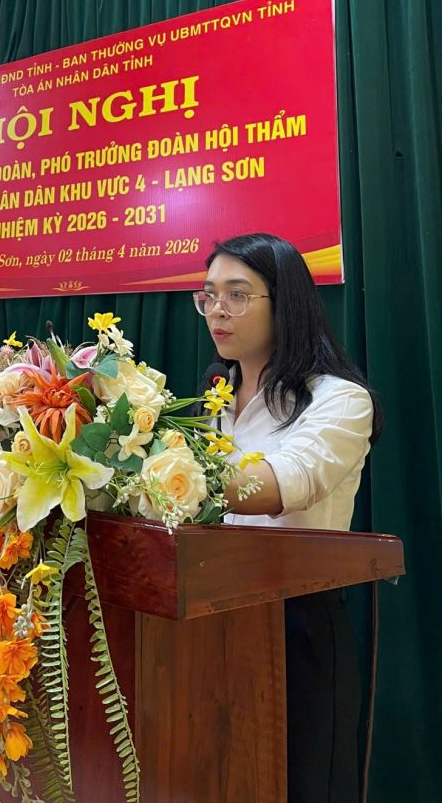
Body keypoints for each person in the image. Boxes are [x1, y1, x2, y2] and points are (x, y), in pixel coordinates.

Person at [192, 232, 382, 803]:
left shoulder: (339, 400)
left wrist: (155, 478)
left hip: (295, 623)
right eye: (208, 295)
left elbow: (283, 485)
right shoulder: (211, 400)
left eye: (237, 294)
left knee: (302, 783)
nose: (217, 310)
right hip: (206, 617)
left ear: (286, 303)